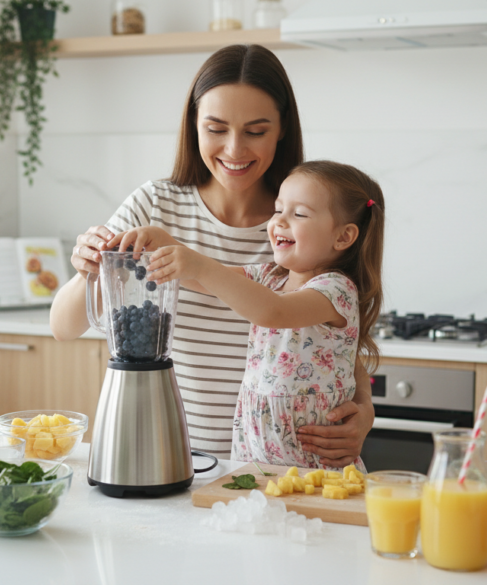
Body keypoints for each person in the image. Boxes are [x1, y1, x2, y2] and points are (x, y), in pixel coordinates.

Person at [49, 45, 373, 467]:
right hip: (169, 458)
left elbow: (338, 348)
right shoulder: (154, 206)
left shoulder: (304, 223)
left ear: (282, 129)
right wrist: (87, 270)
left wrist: (364, 411)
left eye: (256, 131)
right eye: (216, 128)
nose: (235, 149)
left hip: (278, 469)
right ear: (193, 126)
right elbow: (63, 326)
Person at [113, 160, 384, 470]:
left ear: (344, 237)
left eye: (299, 214)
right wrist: (163, 243)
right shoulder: (270, 276)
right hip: (254, 457)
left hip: (314, 467)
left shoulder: (336, 290)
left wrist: (198, 264)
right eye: (278, 209)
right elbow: (205, 280)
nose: (280, 221)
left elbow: (273, 310)